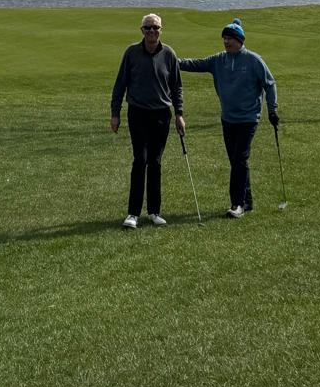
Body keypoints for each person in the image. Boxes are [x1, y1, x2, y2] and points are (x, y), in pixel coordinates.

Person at [177, 17, 278, 218]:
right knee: (236, 161)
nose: (226, 41)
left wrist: (272, 110)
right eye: (224, 38)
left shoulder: (253, 60)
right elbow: (195, 64)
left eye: (230, 38)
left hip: (248, 118)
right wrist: (172, 60)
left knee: (240, 158)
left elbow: (270, 83)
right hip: (228, 118)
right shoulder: (218, 60)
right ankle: (247, 201)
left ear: (239, 40)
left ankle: (237, 204)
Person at [109, 12, 185, 229]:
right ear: (141, 30)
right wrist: (115, 113)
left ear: (161, 30)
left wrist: (179, 114)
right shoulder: (131, 53)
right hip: (138, 113)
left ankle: (154, 211)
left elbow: (177, 87)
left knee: (155, 161)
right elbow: (120, 84)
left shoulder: (169, 54)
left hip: (162, 114)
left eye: (155, 28)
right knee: (139, 160)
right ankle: (133, 213)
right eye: (147, 28)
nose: (152, 31)